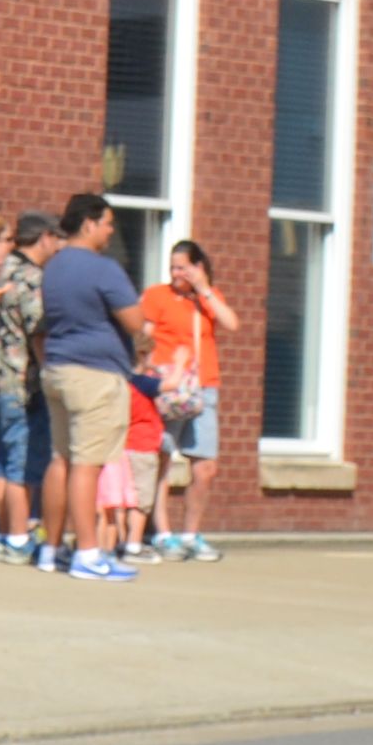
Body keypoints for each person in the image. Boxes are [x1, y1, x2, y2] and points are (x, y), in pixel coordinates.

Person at [31, 190, 146, 579]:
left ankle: (50, 549)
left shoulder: (54, 266)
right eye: (108, 224)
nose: (111, 231)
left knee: (61, 459)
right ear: (89, 223)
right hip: (95, 375)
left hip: (58, 368)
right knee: (87, 464)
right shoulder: (104, 269)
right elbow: (134, 322)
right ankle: (88, 553)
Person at [140, 240, 241, 562]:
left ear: (198, 267)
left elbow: (232, 323)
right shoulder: (157, 295)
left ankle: (191, 533)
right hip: (169, 387)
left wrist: (204, 289)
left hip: (203, 386)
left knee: (205, 466)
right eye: (173, 267)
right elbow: (143, 336)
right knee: (162, 459)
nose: (176, 274)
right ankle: (162, 532)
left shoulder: (207, 299)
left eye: (182, 267)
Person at [0, 217, 51, 564]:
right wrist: (49, 371)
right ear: (44, 238)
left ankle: (4, 533)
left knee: (4, 461)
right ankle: (18, 538)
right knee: (20, 465)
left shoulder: (3, 269)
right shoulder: (30, 276)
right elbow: (37, 330)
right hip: (21, 381)